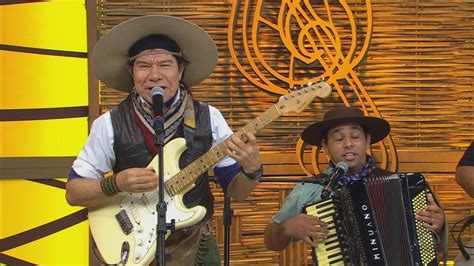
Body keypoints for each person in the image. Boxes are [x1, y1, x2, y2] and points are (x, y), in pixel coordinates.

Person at [65, 15, 263, 265]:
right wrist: (115, 183)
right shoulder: (109, 124)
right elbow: (73, 193)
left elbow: (238, 192)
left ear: (181, 71)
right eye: (144, 65)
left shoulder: (209, 118)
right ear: (131, 72)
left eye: (165, 64)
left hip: (195, 246)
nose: (155, 74)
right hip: (132, 243)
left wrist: (252, 170)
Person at [264, 106, 446, 261]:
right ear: (325, 146)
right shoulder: (311, 189)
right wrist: (286, 228)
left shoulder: (405, 188)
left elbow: (433, 243)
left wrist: (438, 224)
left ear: (367, 140)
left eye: (355, 136)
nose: (348, 144)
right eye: (338, 138)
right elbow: (270, 240)